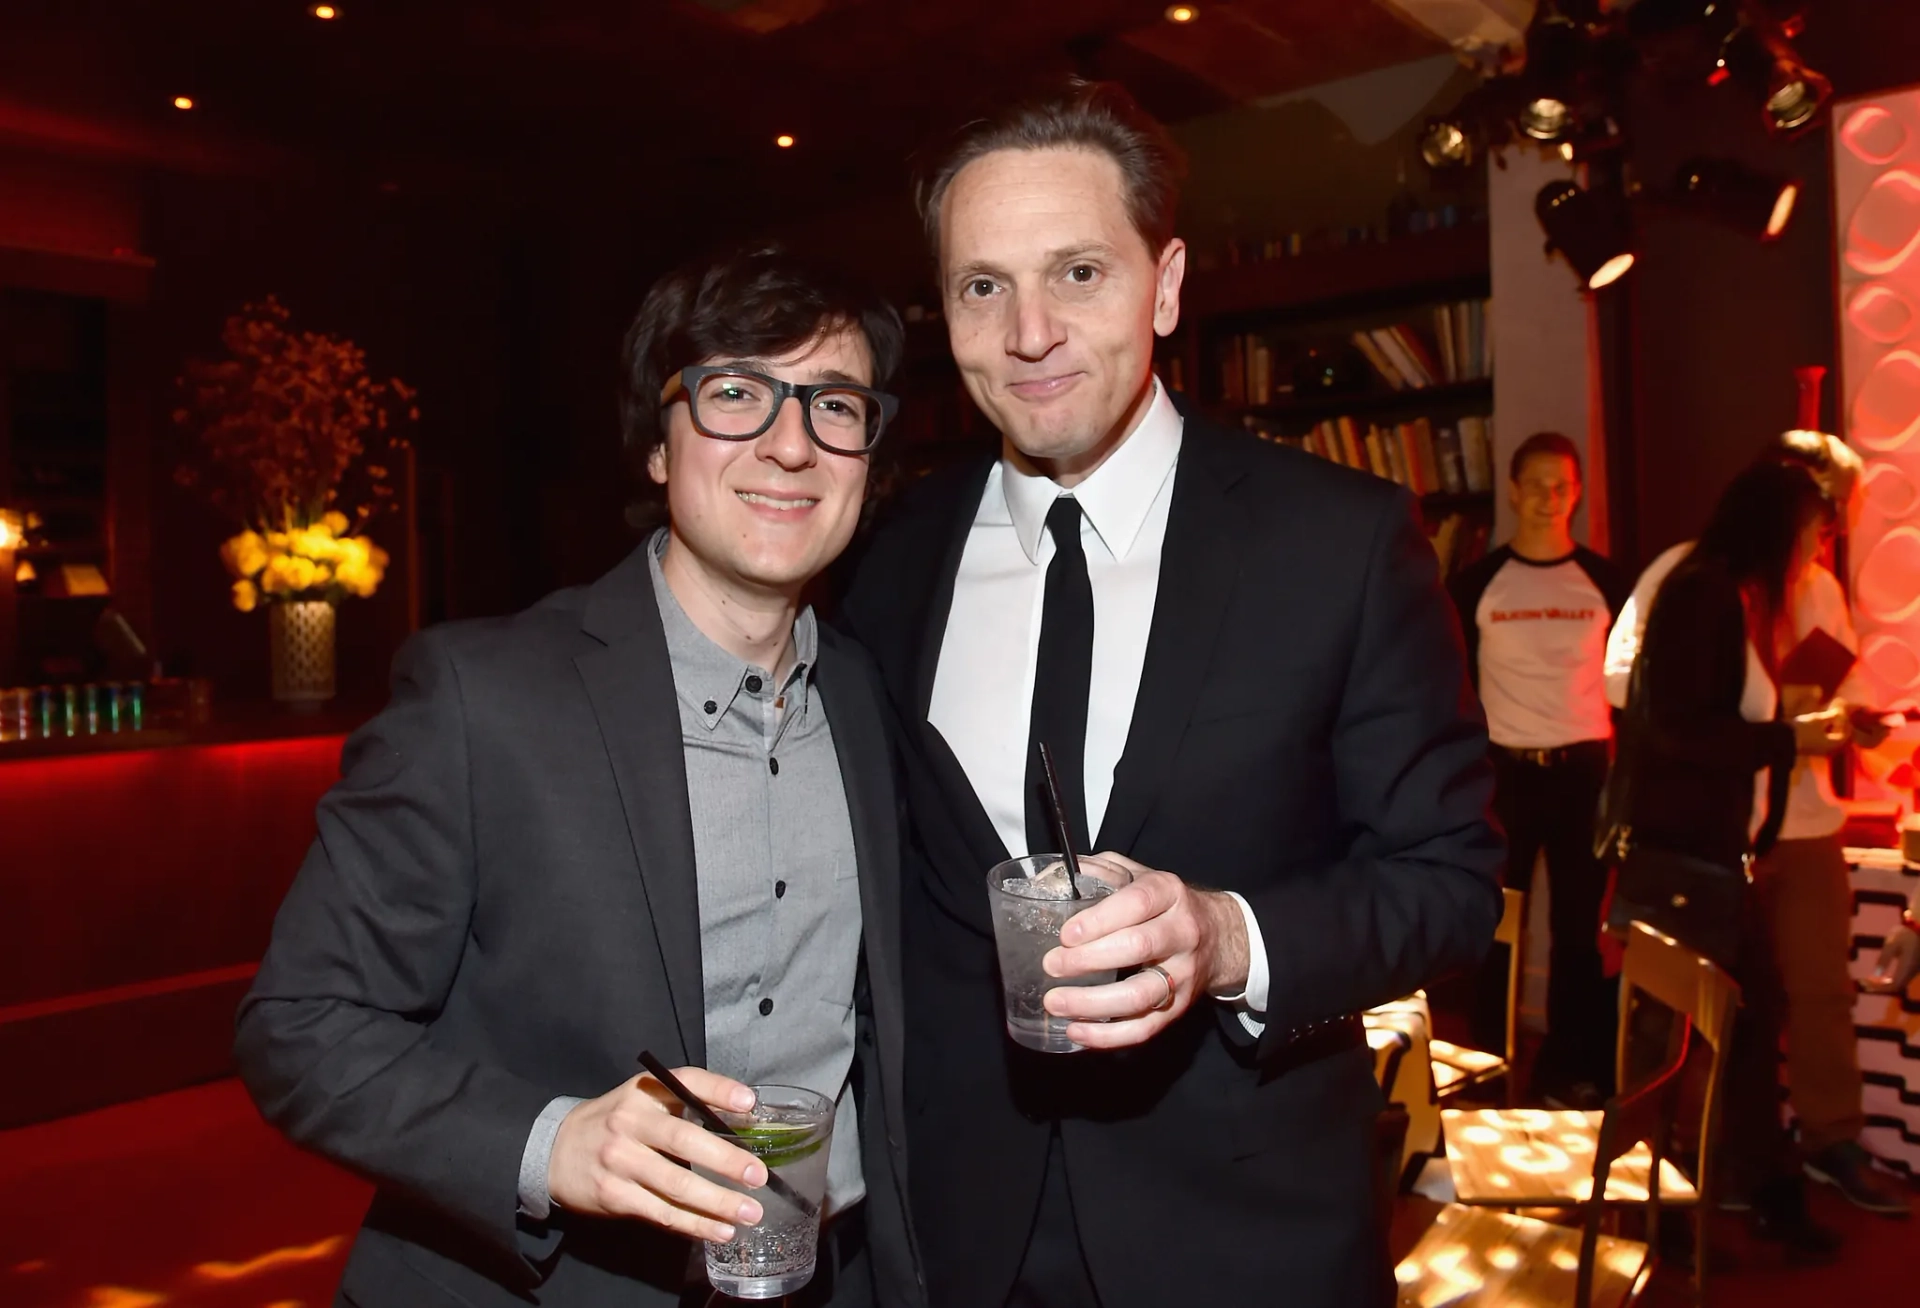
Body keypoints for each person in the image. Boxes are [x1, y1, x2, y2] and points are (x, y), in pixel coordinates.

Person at [837, 80, 1503, 1308]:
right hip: (952, 1235)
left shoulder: (1338, 544)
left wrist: (1226, 939)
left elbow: (1451, 885)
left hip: (1244, 1238)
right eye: (984, 286)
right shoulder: (886, 555)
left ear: (1169, 283)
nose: (1029, 330)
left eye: (1079, 272)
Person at [234, 246, 926, 1307]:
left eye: (833, 405)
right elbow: (301, 1024)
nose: (791, 445)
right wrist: (551, 1147)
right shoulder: (485, 699)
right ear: (657, 444)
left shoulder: (872, 702)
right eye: (736, 393)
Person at [1604, 432, 1909, 1218]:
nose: (1829, 529)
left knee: (1808, 994)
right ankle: (1688, 1170)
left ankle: (1815, 1147)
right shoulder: (1692, 576)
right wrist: (1782, 730)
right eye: (1821, 510)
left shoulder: (1816, 588)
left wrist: (1830, 723)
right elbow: (1642, 694)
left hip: (1793, 817)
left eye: (1839, 515)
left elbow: (1784, 703)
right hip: (1706, 832)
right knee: (1701, 1011)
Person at [1447, 431, 1628, 1105]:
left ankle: (1569, 1071)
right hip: (1505, 776)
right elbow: (1449, 689)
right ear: (1515, 491)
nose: (1550, 499)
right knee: (1496, 920)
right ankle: (1486, 1064)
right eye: (1538, 485)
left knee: (1579, 931)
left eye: (1564, 487)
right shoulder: (1476, 586)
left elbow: (1630, 693)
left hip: (1585, 776)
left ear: (1575, 494)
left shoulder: (1608, 583)